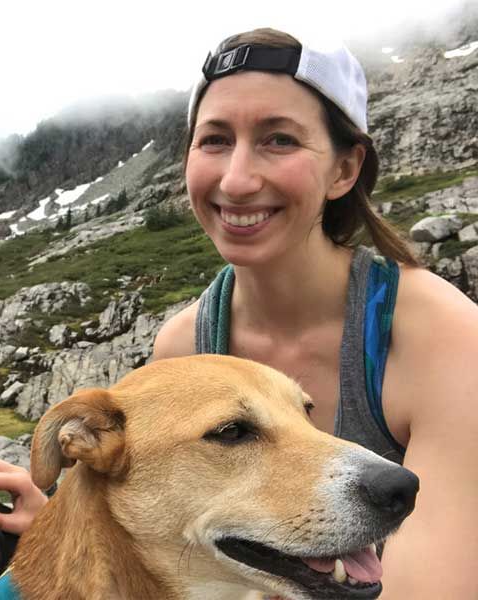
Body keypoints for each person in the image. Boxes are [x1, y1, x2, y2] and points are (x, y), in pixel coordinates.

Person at [152, 28, 478, 599]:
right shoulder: (183, 347)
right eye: (215, 140)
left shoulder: (441, 335)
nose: (236, 179)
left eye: (279, 139)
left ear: (345, 170)